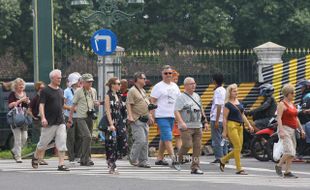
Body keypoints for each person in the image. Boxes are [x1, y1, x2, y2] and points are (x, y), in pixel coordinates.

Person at [31, 69, 69, 171]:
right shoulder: (45, 90)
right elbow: (41, 105)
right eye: (58, 78)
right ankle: (35, 157)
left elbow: (61, 106)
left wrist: (67, 117)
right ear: (52, 78)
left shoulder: (61, 91)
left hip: (60, 121)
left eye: (60, 78)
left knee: (62, 142)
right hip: (49, 122)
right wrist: (43, 118)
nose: (60, 79)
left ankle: (61, 164)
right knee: (43, 144)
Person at [175, 77, 209, 174]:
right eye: (191, 84)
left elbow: (201, 109)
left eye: (194, 83)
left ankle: (195, 167)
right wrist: (181, 122)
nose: (193, 85)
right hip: (186, 126)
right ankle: (177, 159)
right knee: (187, 145)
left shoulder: (197, 96)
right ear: (185, 86)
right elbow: (176, 111)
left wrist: (205, 121)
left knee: (197, 147)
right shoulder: (181, 97)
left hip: (198, 126)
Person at [150, 65, 181, 169]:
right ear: (162, 74)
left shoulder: (175, 86)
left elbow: (178, 101)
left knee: (164, 137)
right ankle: (173, 159)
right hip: (161, 115)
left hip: (172, 115)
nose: (168, 75)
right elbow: (152, 100)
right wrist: (152, 114)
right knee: (168, 136)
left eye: (170, 73)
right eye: (166, 73)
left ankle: (159, 158)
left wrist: (179, 115)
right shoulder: (158, 86)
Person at [219, 83, 254, 175]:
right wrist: (224, 131)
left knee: (239, 148)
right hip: (232, 125)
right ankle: (239, 169)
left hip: (240, 126)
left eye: (236, 91)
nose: (236, 93)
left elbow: (242, 115)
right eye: (234, 91)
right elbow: (224, 118)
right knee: (237, 147)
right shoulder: (227, 104)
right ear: (230, 93)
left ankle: (223, 160)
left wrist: (249, 125)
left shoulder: (239, 102)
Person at [275, 84, 305, 178]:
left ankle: (287, 171)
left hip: (293, 130)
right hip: (285, 129)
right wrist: (281, 131)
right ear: (287, 94)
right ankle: (279, 165)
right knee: (290, 151)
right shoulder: (282, 104)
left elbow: (296, 117)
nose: (294, 94)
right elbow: (278, 118)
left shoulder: (292, 104)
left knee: (292, 153)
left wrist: (301, 129)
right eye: (292, 93)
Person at [68, 73, 99, 166]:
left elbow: (94, 102)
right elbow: (73, 105)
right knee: (87, 136)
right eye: (88, 82)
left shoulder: (93, 90)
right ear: (83, 82)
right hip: (80, 117)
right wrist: (70, 119)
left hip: (89, 116)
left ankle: (85, 158)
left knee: (88, 139)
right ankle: (85, 158)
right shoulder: (78, 91)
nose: (90, 83)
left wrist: (96, 103)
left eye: (91, 82)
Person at [126, 72, 153, 168]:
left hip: (144, 118)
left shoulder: (142, 90)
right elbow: (129, 104)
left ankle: (143, 161)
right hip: (136, 118)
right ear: (137, 79)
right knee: (140, 140)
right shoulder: (132, 91)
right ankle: (133, 158)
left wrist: (150, 115)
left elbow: (146, 104)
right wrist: (130, 116)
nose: (145, 80)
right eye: (143, 78)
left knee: (145, 141)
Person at [104, 77, 128, 174]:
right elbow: (108, 111)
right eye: (118, 83)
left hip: (120, 122)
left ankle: (113, 161)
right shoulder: (108, 96)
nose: (119, 85)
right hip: (112, 122)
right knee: (111, 144)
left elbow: (122, 110)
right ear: (112, 85)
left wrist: (125, 121)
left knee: (123, 143)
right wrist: (111, 124)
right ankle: (111, 164)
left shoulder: (119, 95)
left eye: (119, 84)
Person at [8, 78, 30, 163]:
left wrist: (28, 102)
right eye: (19, 84)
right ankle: (18, 157)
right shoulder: (12, 94)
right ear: (15, 86)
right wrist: (21, 100)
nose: (21, 86)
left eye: (22, 84)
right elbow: (10, 105)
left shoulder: (25, 93)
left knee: (25, 137)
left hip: (23, 118)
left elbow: (26, 106)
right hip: (14, 118)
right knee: (18, 138)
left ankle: (14, 150)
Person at [28, 81, 48, 165]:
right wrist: (34, 117)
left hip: (45, 120)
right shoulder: (35, 98)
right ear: (38, 89)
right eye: (41, 88)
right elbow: (28, 110)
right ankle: (39, 158)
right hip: (38, 121)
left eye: (44, 88)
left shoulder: (46, 98)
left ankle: (40, 158)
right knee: (42, 140)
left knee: (44, 140)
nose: (43, 90)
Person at [64, 72, 82, 163]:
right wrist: (72, 109)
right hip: (69, 116)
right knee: (70, 137)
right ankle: (71, 156)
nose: (80, 82)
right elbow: (63, 105)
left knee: (79, 136)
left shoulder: (81, 90)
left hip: (79, 116)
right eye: (78, 81)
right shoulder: (67, 91)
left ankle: (78, 155)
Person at [210, 73, 227, 164]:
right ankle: (225, 156)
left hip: (217, 118)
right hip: (223, 118)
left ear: (214, 81)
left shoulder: (218, 91)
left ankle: (219, 157)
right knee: (223, 138)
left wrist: (216, 120)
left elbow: (219, 106)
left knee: (217, 139)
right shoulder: (224, 90)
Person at [171, 70, 182, 152]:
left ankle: (181, 153)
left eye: (176, 79)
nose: (176, 81)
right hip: (166, 115)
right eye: (174, 79)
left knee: (178, 135)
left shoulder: (176, 88)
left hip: (175, 114)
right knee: (166, 136)